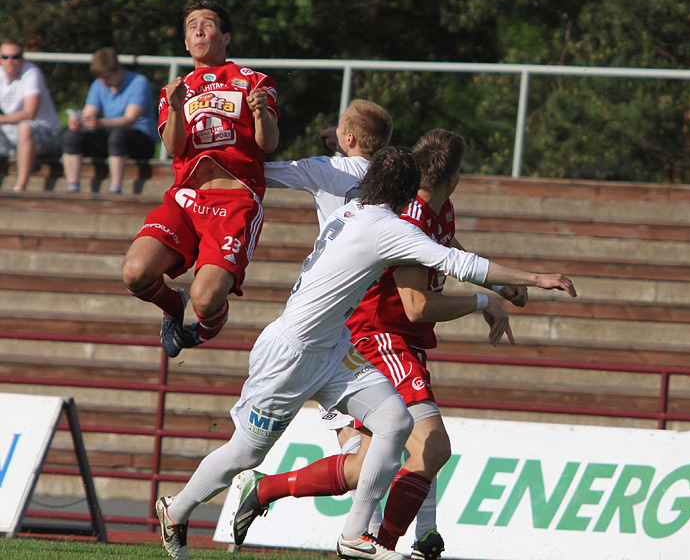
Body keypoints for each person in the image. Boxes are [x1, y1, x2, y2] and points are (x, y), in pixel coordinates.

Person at [154, 146, 577, 560]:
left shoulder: (352, 211)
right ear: (408, 192)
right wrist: (538, 277)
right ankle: (176, 513)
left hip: (333, 347)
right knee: (246, 454)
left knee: (394, 420)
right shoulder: (386, 228)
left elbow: (443, 250)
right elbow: (458, 263)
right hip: (292, 356)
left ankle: (355, 535)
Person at [232, 130, 527, 560]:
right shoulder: (408, 217)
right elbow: (416, 305)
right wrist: (485, 300)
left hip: (394, 340)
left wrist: (500, 283)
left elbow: (446, 249)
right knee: (431, 445)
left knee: (365, 466)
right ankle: (381, 545)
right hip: (379, 337)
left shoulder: (438, 208)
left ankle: (264, 489)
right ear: (455, 177)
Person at [121, 0, 280, 359]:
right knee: (135, 273)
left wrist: (260, 114)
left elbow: (267, 143)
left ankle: (207, 326)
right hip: (186, 199)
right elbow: (175, 147)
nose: (198, 30)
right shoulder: (173, 90)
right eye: (192, 25)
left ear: (225, 37)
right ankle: (172, 306)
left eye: (207, 24)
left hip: (235, 202)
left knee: (206, 300)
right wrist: (176, 108)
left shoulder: (254, 81)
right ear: (186, 43)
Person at [264, 98, 393, 225]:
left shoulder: (328, 169)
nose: (334, 130)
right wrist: (342, 141)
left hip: (336, 246)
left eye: (339, 127)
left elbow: (264, 174)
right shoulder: (391, 176)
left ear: (350, 139)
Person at [61, 47, 158, 193]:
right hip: (112, 138)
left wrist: (99, 123)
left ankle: (115, 189)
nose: (103, 82)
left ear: (118, 69)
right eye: (100, 78)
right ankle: (72, 187)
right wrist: (79, 123)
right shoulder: (99, 84)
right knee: (72, 136)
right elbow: (89, 113)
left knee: (118, 135)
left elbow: (129, 120)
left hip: (140, 139)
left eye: (106, 77)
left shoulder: (138, 82)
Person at [0, 39, 61, 193]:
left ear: (22, 58)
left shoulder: (32, 73)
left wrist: (2, 120)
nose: (11, 61)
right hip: (14, 135)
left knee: (25, 127)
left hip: (46, 134)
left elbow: (29, 113)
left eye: (16, 56)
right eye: (5, 57)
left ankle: (20, 187)